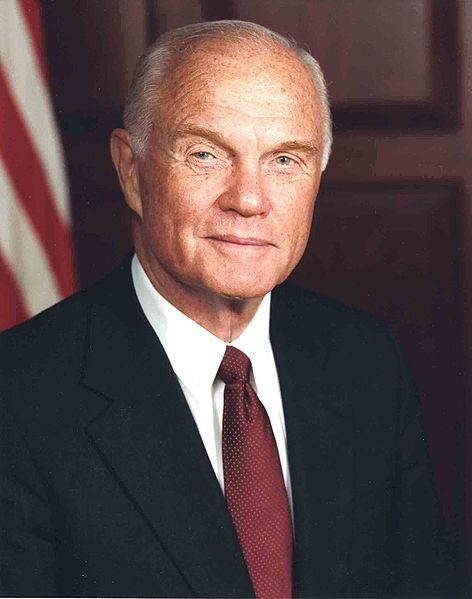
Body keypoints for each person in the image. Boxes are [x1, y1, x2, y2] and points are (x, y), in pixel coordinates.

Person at [0, 20, 456, 598]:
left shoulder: (365, 360)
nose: (249, 199)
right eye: (206, 154)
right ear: (131, 171)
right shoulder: (17, 397)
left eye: (285, 160)